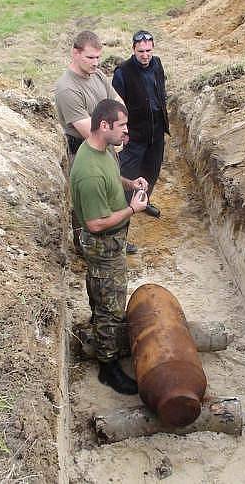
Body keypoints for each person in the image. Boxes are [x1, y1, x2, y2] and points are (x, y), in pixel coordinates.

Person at [70, 99, 148, 395]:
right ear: (104, 125)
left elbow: (112, 178)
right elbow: (95, 224)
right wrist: (132, 210)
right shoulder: (88, 171)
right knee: (112, 308)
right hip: (104, 245)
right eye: (122, 126)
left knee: (100, 291)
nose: (126, 132)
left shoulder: (103, 150)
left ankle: (97, 322)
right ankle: (108, 366)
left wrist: (129, 184)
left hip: (109, 245)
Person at [55, 30, 138, 254]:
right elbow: (87, 131)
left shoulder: (97, 75)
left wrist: (117, 129)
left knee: (111, 190)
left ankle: (115, 241)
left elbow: (118, 103)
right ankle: (87, 248)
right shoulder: (67, 89)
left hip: (105, 145)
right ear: (75, 53)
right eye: (90, 57)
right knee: (91, 199)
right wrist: (117, 139)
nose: (96, 62)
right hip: (84, 149)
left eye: (98, 57)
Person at [112, 30, 170, 216]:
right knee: (127, 171)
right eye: (141, 52)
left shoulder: (157, 64)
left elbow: (161, 92)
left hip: (157, 131)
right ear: (133, 49)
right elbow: (117, 105)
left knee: (151, 170)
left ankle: (143, 201)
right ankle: (121, 208)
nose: (145, 56)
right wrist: (124, 132)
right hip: (134, 133)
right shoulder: (122, 73)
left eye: (148, 51)